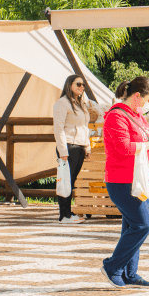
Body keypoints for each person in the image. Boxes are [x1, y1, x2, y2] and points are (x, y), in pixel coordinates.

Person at [100, 77, 149, 289]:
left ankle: (130, 273)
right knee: (142, 225)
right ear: (137, 96)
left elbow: (147, 140)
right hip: (123, 181)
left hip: (139, 180)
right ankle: (112, 267)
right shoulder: (116, 116)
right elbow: (124, 147)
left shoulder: (137, 116)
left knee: (131, 226)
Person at [52, 75, 92, 223]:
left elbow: (84, 127)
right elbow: (58, 128)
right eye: (79, 84)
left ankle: (67, 213)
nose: (82, 87)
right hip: (68, 146)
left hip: (79, 146)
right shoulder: (62, 103)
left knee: (71, 180)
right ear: (69, 85)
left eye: (83, 85)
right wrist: (63, 151)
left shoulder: (80, 103)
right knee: (65, 181)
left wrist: (87, 146)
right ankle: (65, 215)